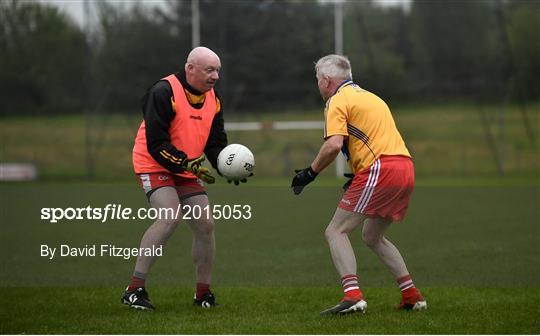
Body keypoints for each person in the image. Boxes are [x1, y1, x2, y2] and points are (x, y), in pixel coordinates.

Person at [291, 54, 426, 315]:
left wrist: (309, 173)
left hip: (380, 169)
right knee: (372, 236)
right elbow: (377, 138)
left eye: (318, 80)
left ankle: (352, 296)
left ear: (327, 80)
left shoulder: (337, 100)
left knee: (335, 231)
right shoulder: (372, 97)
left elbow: (333, 145)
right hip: (404, 167)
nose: (318, 86)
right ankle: (412, 295)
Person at [122, 46, 231, 310]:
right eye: (209, 70)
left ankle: (203, 293)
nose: (215, 76)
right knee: (170, 216)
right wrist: (187, 163)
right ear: (190, 68)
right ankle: (134, 289)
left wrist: (225, 165)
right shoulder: (163, 92)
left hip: (186, 166)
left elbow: (215, 143)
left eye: (217, 70)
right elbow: (156, 144)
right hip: (152, 163)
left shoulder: (213, 98)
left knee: (205, 224)